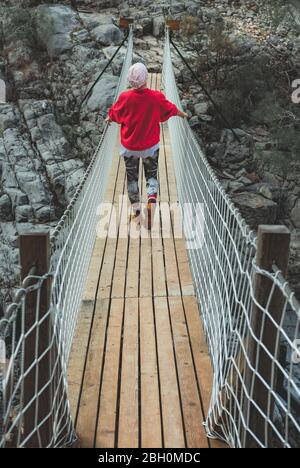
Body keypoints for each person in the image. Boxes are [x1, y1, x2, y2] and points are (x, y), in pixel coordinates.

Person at [106, 62, 187, 218]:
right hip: (150, 147)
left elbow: (115, 113)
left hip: (129, 148)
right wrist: (182, 115)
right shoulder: (156, 97)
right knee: (151, 176)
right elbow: (170, 109)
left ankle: (136, 210)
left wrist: (109, 118)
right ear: (146, 78)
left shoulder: (125, 97)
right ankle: (151, 198)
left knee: (132, 179)